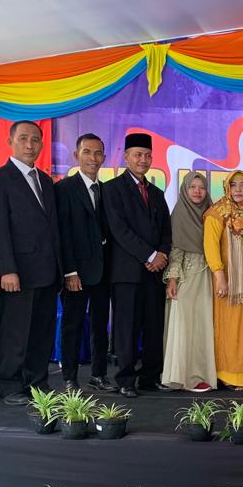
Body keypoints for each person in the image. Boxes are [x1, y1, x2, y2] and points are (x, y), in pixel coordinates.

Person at [0, 120, 62, 405]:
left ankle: (37, 382)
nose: (30, 145)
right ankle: (9, 384)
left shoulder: (46, 181)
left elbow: (53, 228)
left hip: (48, 271)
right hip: (18, 272)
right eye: (23, 139)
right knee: (14, 332)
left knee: (42, 331)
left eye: (35, 140)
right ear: (11, 142)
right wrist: (7, 269)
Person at [105, 133, 171, 397]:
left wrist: (162, 254)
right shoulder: (112, 189)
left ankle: (150, 377)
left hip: (155, 273)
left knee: (154, 327)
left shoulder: (156, 192)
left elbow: (166, 230)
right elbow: (119, 230)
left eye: (147, 155)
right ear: (126, 157)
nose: (143, 160)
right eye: (137, 155)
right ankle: (126, 380)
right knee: (127, 328)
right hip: (127, 272)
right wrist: (150, 255)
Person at [55, 133, 114, 393]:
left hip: (103, 272)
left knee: (101, 325)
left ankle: (99, 375)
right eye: (87, 152)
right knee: (73, 325)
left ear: (104, 157)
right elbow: (63, 234)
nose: (93, 158)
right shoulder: (64, 189)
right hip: (76, 272)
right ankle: (69, 377)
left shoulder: (108, 190)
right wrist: (70, 271)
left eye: (98, 153)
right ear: (76, 155)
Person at [204, 170, 243, 390]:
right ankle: (226, 374)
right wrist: (219, 276)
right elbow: (210, 247)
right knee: (228, 327)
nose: (238, 190)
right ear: (227, 188)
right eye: (233, 185)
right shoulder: (217, 212)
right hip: (227, 282)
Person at [163, 171, 216, 392]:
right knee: (184, 323)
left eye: (201, 187)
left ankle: (201, 374)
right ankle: (182, 376)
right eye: (192, 187)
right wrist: (173, 279)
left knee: (203, 325)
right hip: (186, 275)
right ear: (185, 190)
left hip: (209, 275)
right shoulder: (179, 214)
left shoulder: (212, 213)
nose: (197, 191)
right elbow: (175, 249)